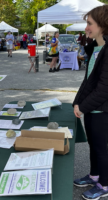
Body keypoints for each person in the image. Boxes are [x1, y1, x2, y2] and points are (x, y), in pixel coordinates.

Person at [73, 5, 108, 200]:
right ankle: (95, 175)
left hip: (102, 111)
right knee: (93, 145)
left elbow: (104, 88)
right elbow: (88, 81)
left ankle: (104, 184)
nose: (86, 28)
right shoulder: (96, 48)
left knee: (101, 149)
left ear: (103, 25)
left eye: (89, 24)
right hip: (92, 111)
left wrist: (83, 106)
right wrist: (77, 103)